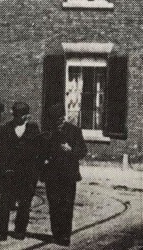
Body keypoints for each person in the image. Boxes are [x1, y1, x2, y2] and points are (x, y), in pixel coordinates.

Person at [0, 102, 42, 240]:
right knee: (5, 203)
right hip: (8, 173)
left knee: (25, 203)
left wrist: (35, 171)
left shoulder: (33, 129)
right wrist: (2, 168)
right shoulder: (5, 129)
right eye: (15, 116)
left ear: (26, 116)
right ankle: (2, 230)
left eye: (20, 116)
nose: (17, 119)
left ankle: (20, 230)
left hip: (27, 174)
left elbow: (39, 150)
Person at [42, 102, 87, 247]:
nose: (58, 124)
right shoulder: (48, 133)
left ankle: (65, 235)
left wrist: (70, 150)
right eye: (55, 121)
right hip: (52, 176)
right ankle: (56, 234)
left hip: (68, 175)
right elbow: (42, 152)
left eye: (60, 120)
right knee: (54, 206)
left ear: (63, 118)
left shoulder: (74, 131)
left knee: (67, 205)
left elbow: (83, 151)